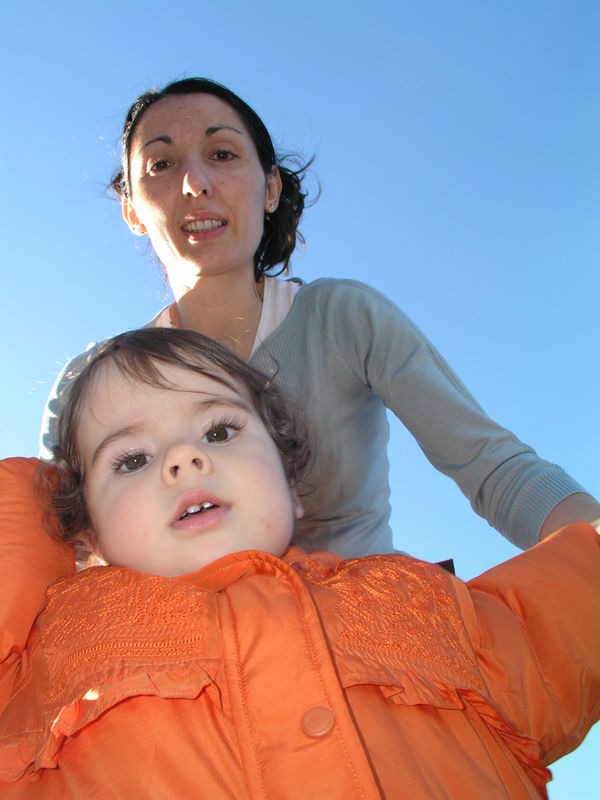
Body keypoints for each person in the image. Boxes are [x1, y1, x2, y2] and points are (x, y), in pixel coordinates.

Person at [1, 328, 599, 798]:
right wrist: (36, 498)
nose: (183, 458)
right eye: (131, 460)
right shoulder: (46, 641)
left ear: (290, 483)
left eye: (219, 430)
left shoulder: (419, 598)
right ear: (85, 531)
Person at [39, 77, 600, 558]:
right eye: (161, 164)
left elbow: (496, 469)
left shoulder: (343, 318)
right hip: (188, 648)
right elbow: (61, 557)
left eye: (223, 154)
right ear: (132, 210)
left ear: (270, 188)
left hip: (375, 634)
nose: (195, 183)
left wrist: (588, 546)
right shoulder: (91, 386)